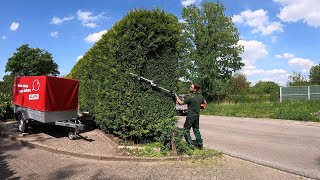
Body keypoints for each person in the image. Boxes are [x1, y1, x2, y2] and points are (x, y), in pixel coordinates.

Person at [174, 83, 207, 149]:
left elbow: (181, 103)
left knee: (186, 130)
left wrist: (176, 96)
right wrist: (199, 106)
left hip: (190, 116)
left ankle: (191, 145)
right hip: (197, 116)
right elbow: (205, 103)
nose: (190, 88)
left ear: (195, 89)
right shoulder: (200, 96)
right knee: (196, 130)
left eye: (191, 87)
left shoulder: (190, 97)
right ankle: (200, 144)